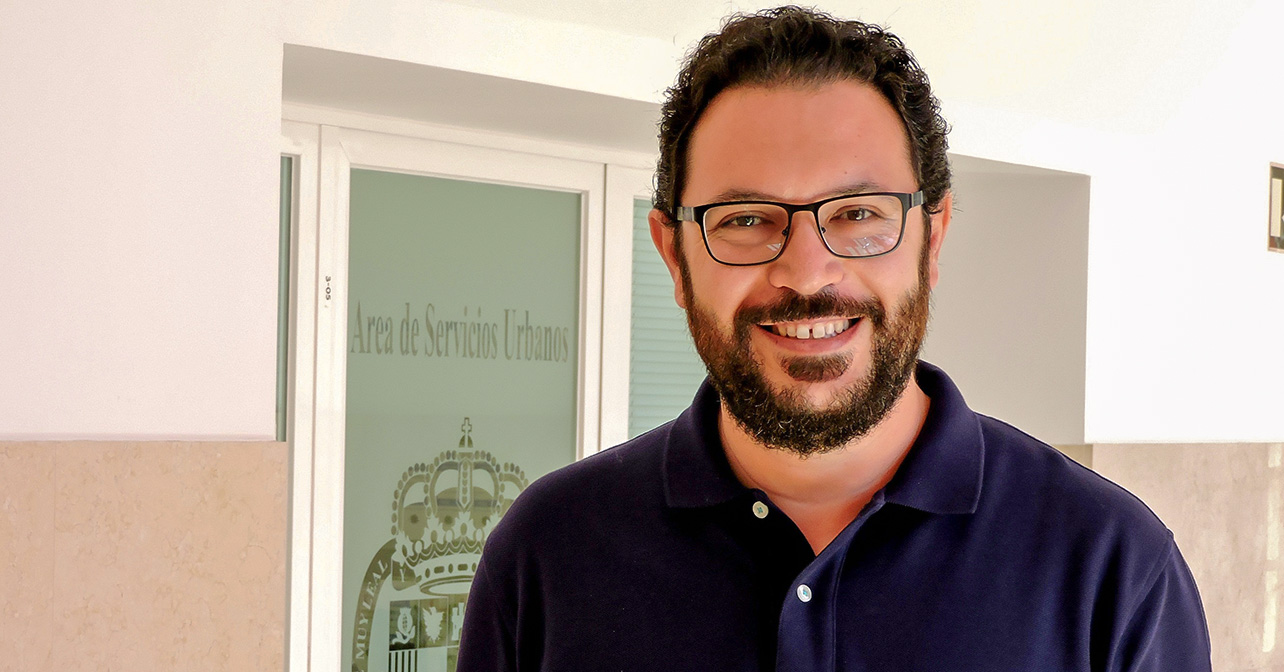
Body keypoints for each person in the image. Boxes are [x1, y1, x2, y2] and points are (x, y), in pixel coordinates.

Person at [457, 6, 1212, 671]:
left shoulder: (1111, 569)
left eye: (858, 214)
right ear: (674, 256)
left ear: (933, 237)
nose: (806, 272)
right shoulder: (547, 554)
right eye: (745, 220)